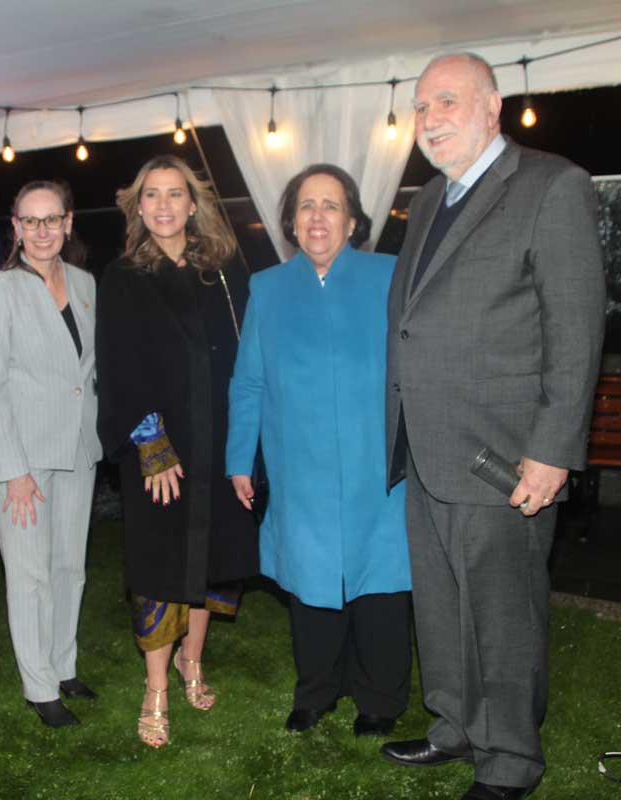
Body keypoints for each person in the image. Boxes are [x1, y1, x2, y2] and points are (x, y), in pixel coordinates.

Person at [381, 53, 606, 800]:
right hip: (426, 449)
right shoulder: (429, 199)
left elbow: (575, 333)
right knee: (442, 606)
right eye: (420, 107)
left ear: (491, 107)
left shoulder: (551, 185)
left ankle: (509, 760)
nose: (430, 119)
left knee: (503, 618)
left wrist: (552, 451)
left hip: (504, 457)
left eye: (446, 101)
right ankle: (454, 727)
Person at [227, 163, 411, 738]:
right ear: (291, 221)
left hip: (377, 464)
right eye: (307, 205)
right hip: (300, 468)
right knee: (310, 584)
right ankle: (316, 691)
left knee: (381, 581)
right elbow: (249, 382)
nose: (318, 217)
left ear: (353, 221)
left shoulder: (390, 276)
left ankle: (380, 698)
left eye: (331, 205)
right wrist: (240, 459)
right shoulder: (268, 288)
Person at [97, 155, 258, 748]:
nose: (163, 205)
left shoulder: (224, 271)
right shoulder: (123, 275)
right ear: (138, 207)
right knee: (160, 562)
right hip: (159, 447)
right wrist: (150, 443)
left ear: (193, 204)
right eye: (152, 195)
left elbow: (247, 356)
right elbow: (116, 365)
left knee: (210, 556)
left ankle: (194, 661)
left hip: (217, 438)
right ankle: (157, 687)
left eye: (174, 194)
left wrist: (247, 441)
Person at [0, 180, 101, 728]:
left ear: (68, 223)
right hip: (21, 456)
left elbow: (87, 370)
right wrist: (13, 469)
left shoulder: (86, 282)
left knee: (70, 567)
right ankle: (39, 686)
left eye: (52, 219)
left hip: (78, 447)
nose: (42, 230)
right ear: (16, 228)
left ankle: (63, 665)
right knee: (30, 574)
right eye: (31, 220)